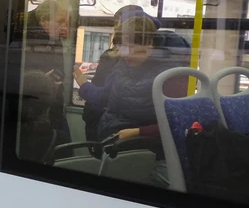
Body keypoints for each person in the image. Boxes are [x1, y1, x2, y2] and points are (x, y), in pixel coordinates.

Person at [74, 14, 183, 142]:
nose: (123, 53)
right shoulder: (122, 67)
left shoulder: (169, 76)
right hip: (112, 138)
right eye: (122, 47)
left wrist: (137, 133)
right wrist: (84, 85)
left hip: (142, 144)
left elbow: (176, 122)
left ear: (149, 43)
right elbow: (105, 96)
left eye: (130, 47)